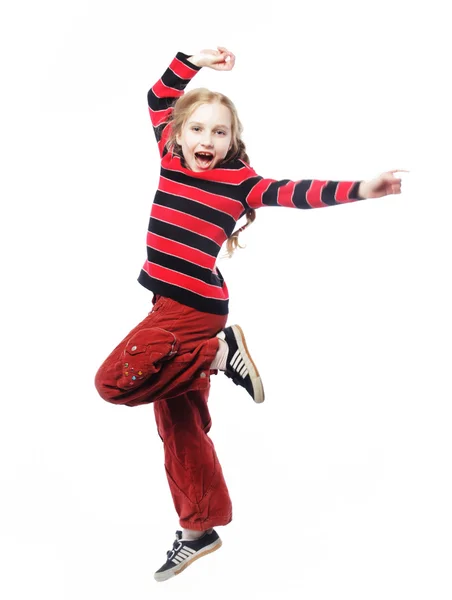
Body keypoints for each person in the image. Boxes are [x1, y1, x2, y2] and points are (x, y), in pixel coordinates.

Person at [94, 46, 405, 582]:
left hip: (192, 313)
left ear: (231, 142)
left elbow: (296, 193)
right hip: (167, 306)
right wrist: (191, 59)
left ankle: (218, 353)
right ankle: (198, 529)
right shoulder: (169, 159)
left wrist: (363, 189)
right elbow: (157, 97)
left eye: (219, 133)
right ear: (177, 135)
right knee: (180, 424)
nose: (206, 141)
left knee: (112, 383)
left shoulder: (239, 185)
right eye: (198, 130)